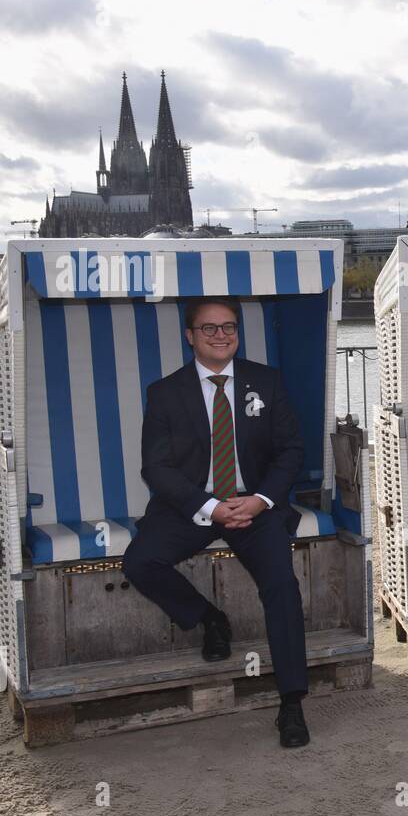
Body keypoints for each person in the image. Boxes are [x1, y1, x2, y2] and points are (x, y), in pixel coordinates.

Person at [121, 297, 313, 745]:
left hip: (254, 507)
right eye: (209, 328)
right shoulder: (165, 393)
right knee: (140, 562)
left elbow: (291, 451)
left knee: (282, 585)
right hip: (194, 507)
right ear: (190, 336)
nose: (221, 335)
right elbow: (156, 467)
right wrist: (208, 506)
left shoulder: (267, 381)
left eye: (229, 326)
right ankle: (209, 618)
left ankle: (291, 702)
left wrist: (262, 500)